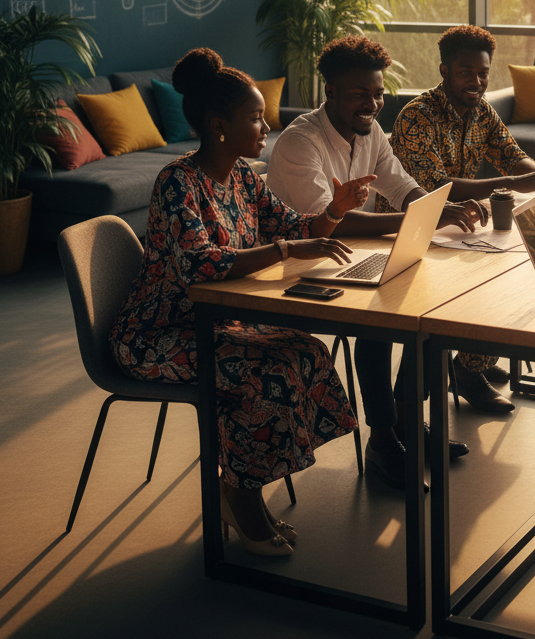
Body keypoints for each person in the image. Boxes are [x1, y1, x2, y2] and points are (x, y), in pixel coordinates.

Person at [109, 48, 374, 557]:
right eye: (254, 117)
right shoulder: (177, 183)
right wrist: (287, 249)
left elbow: (299, 230)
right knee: (260, 376)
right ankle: (240, 496)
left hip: (215, 326)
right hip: (155, 338)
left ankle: (242, 486)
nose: (266, 125)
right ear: (218, 125)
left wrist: (334, 212)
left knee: (304, 351)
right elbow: (199, 265)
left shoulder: (247, 177)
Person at [267, 36, 483, 487]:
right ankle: (383, 443)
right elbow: (330, 224)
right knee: (379, 321)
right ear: (329, 93)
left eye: (378, 93)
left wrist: (434, 209)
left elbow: (402, 186)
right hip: (289, 269)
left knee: (429, 306)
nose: (373, 103)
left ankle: (407, 424)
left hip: (341, 260)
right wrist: (413, 221)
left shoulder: (371, 134)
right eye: (359, 94)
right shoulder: (300, 142)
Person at [380, 25, 535, 414]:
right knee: (472, 295)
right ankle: (423, 404)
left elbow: (510, 154)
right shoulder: (416, 118)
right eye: (465, 72)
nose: (476, 81)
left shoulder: (481, 110)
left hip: (460, 229)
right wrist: (518, 180)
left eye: (483, 73)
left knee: (516, 275)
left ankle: (468, 366)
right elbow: (435, 190)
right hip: (410, 236)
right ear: (444, 71)